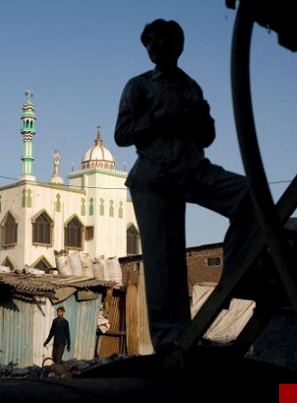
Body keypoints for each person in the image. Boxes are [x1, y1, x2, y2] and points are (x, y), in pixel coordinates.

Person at [114, 19, 254, 355]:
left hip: (192, 168)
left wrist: (202, 117)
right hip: (154, 177)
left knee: (250, 195)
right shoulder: (139, 86)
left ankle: (236, 273)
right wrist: (163, 115)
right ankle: (170, 342)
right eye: (150, 43)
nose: (156, 49)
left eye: (163, 42)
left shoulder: (192, 86)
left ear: (178, 46)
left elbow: (207, 136)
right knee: (165, 260)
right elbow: (122, 134)